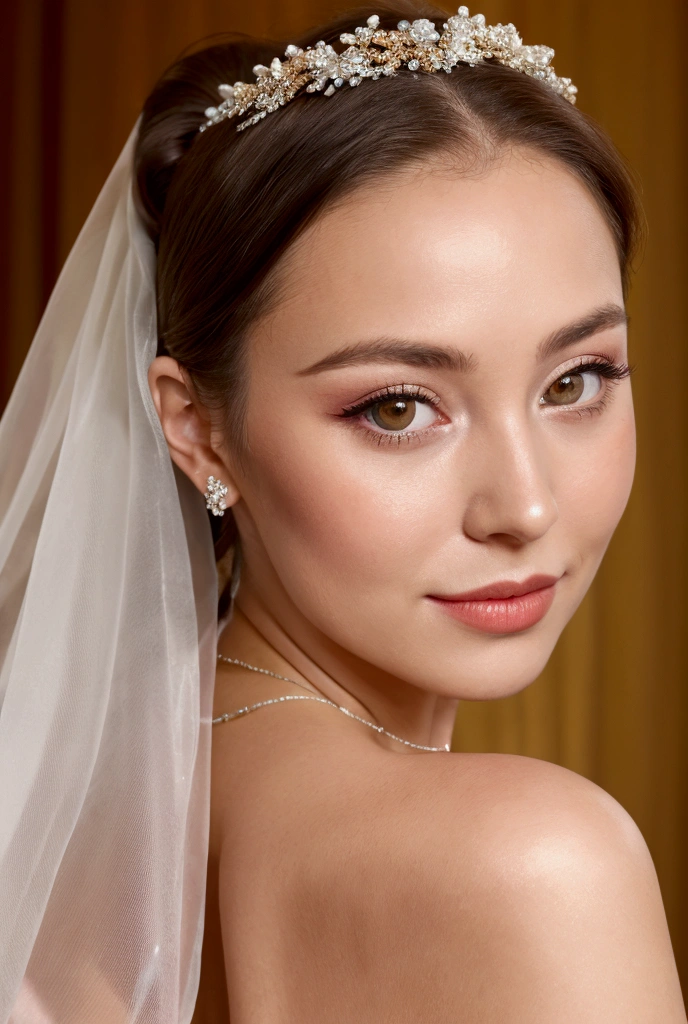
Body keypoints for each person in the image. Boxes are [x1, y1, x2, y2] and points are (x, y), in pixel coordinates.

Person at [0, 2, 685, 1022]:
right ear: (197, 429)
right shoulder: (536, 863)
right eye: (398, 407)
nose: (526, 504)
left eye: (576, 379)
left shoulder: (68, 816)